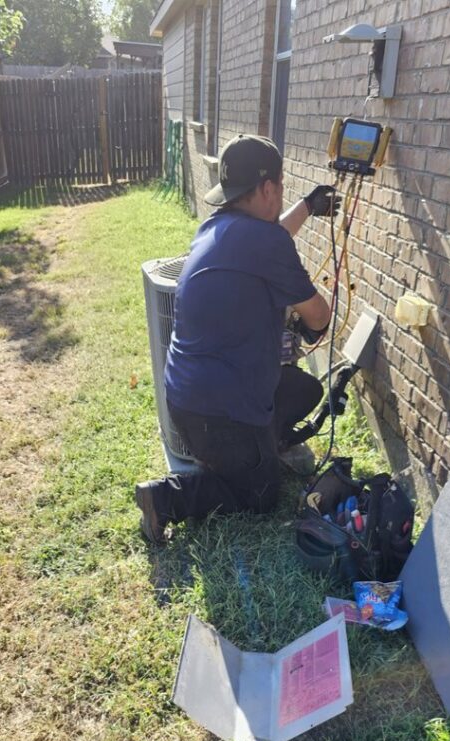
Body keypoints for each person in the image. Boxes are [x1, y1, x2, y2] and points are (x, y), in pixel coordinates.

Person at [135, 133, 339, 543]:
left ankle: (252, 452)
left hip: (191, 396)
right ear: (267, 189)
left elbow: (270, 239)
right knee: (263, 495)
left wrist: (306, 207)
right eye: (281, 188)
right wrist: (309, 323)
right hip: (215, 414)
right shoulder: (264, 242)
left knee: (305, 389)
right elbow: (320, 316)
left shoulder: (216, 227)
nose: (282, 196)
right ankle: (165, 500)